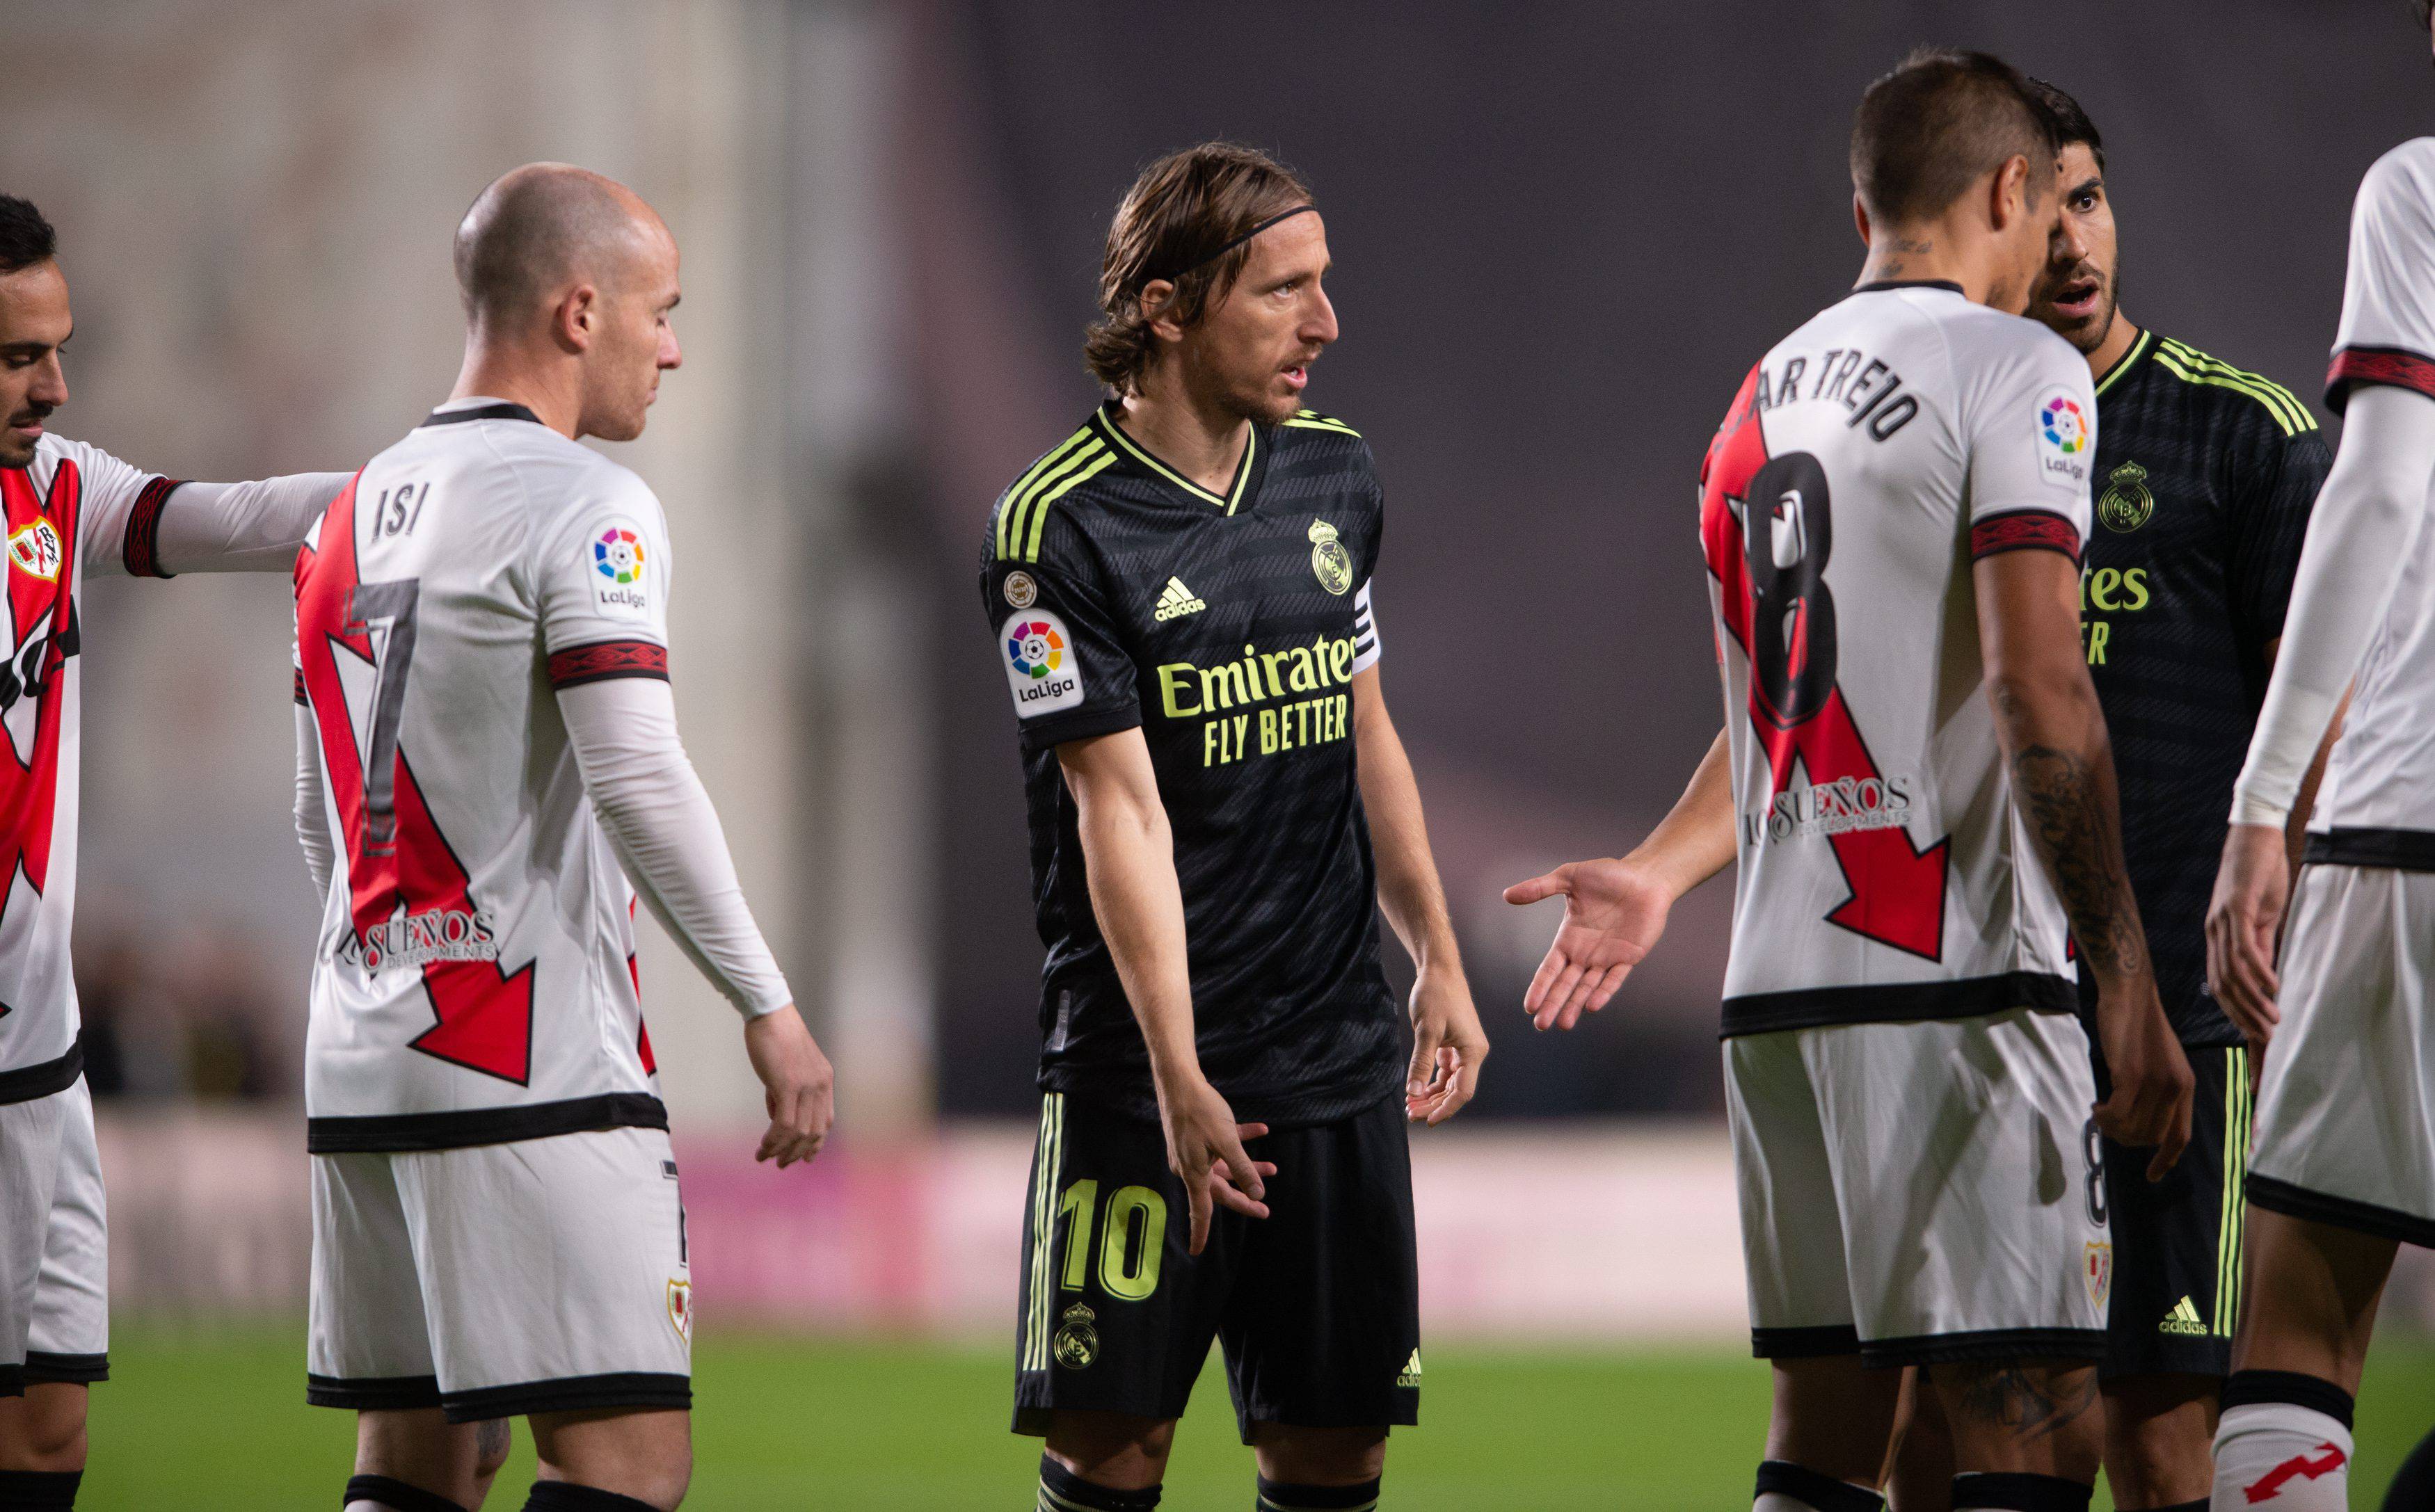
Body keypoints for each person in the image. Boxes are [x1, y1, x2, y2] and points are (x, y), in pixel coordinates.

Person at [1505, 50, 2192, 1512]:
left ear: (1862, 202)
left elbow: (1791, 703)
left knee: (1824, 1435)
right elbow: (2036, 682)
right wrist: (2120, 970)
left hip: (1781, 990)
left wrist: (1658, 866)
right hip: (1953, 978)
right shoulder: (2019, 370)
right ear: (2010, 188)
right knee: (2033, 1428)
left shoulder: (1755, 399)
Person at [292, 164, 833, 1512]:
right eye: (661, 311)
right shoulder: (582, 500)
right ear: (579, 310)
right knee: (627, 1466)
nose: (675, 345)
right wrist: (766, 1006)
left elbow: (320, 808)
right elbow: (638, 770)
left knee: (414, 1463)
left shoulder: (348, 509)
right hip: (524, 1054)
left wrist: (394, 960)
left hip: (364, 1052)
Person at [980, 142, 1486, 1512]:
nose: (1326, 324)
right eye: (1283, 292)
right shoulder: (1050, 531)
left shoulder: (1336, 478)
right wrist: (1174, 1072)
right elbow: (1117, 808)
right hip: (1141, 1080)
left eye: (1322, 286)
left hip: (1332, 1060)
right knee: (1112, 1449)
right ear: (1166, 308)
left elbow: (1362, 728)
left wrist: (1435, 950)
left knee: (1334, 1453)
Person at [1883, 80, 2334, 1512]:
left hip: (2180, 1004)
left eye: (2093, 197)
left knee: (2155, 1418)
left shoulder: (2240, 434)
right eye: (2047, 205)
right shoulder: (1948, 427)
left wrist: (2287, 934)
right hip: (1976, 989)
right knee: (1937, 1416)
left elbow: (2311, 717)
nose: (2074, 240)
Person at [0, 193, 349, 1511]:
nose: (56, 382)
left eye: (59, 345)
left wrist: (426, 487)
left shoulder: (56, 490)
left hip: (41, 1068)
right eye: (20, 355)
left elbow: (236, 517)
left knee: (48, 1435)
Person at [2204, 5, 2435, 1505]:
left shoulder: (2417, 188)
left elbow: (2378, 487)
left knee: (2299, 1317)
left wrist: (2260, 799)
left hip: (2409, 826)